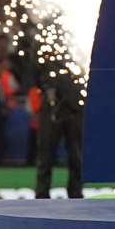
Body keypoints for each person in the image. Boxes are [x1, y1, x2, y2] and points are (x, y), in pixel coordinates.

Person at [33, 66, 83, 200]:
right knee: (46, 153)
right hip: (52, 103)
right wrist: (46, 86)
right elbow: (35, 68)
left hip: (75, 104)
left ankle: (76, 192)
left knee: (76, 154)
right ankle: (42, 193)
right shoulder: (42, 48)